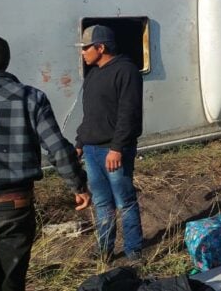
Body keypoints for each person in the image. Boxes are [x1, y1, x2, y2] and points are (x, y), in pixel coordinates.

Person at [0, 36, 91, 291]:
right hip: (13, 206)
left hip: (11, 202)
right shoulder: (31, 98)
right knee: (10, 282)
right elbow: (57, 148)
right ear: (7, 62)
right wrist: (78, 186)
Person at [74, 24, 145, 262]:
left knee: (124, 200)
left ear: (100, 47)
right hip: (93, 150)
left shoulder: (126, 71)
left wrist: (116, 148)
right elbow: (90, 114)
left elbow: (129, 113)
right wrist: (80, 142)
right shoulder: (93, 74)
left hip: (114, 150)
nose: (82, 53)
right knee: (102, 202)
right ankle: (105, 249)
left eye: (86, 48)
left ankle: (134, 250)